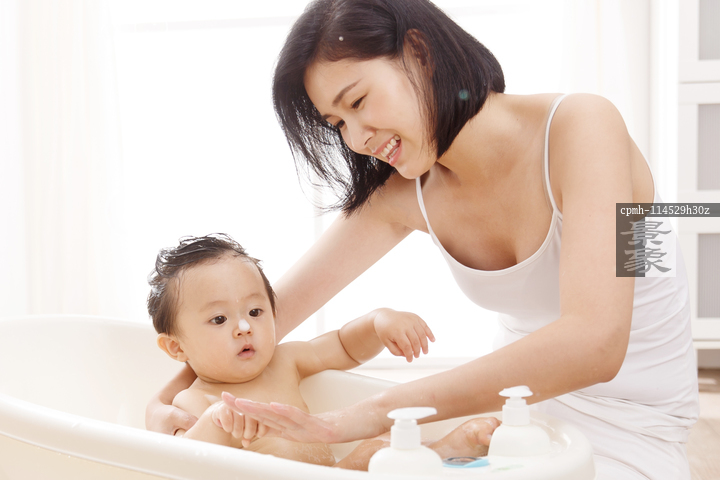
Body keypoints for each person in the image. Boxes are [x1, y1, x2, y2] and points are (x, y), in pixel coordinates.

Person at [147, 1, 699, 478]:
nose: (357, 139)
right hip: (514, 414)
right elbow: (271, 313)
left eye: (357, 102)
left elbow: (596, 342)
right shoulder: (408, 191)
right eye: (337, 124)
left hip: (635, 421)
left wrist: (364, 415)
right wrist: (167, 399)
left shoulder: (584, 126)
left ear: (419, 52)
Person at [147, 233, 499, 470]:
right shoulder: (195, 401)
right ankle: (445, 451)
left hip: (333, 471)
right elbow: (179, 463)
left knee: (385, 442)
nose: (244, 326)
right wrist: (216, 421)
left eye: (255, 311)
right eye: (219, 319)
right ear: (176, 346)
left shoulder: (285, 361)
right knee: (371, 453)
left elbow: (343, 345)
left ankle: (441, 455)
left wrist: (377, 323)